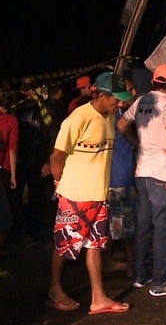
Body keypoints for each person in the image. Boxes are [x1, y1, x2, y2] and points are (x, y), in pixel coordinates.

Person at [47, 72, 132, 314]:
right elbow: (56, 156)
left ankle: (98, 298)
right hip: (75, 196)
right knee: (65, 245)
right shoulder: (78, 118)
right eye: (117, 99)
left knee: (95, 246)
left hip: (100, 196)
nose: (120, 103)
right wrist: (58, 183)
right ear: (102, 95)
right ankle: (55, 288)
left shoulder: (110, 116)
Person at [117, 64, 166, 297]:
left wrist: (138, 144)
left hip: (143, 171)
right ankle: (161, 281)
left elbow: (121, 125)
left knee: (144, 224)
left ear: (153, 83)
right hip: (162, 173)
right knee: (163, 226)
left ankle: (140, 275)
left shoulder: (141, 101)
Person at [104, 78, 137, 276]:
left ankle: (109, 262)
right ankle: (132, 268)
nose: (134, 93)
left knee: (111, 227)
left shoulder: (111, 116)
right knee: (124, 228)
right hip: (120, 179)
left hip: (113, 177)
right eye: (130, 90)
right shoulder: (119, 118)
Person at [13, 76, 54, 239]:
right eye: (25, 89)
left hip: (38, 159)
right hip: (21, 159)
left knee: (37, 196)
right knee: (16, 196)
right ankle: (18, 231)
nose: (27, 92)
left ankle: (36, 231)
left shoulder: (43, 108)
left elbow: (52, 134)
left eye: (30, 88)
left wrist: (47, 161)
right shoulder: (19, 108)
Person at [0, 94, 18, 262]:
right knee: (5, 220)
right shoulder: (10, 120)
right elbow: (11, 149)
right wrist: (13, 175)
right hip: (3, 172)